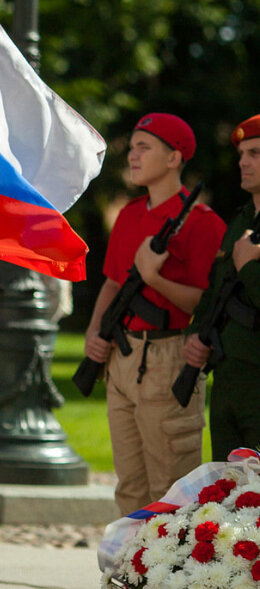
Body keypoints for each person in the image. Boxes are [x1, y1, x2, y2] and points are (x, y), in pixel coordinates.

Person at [83, 113, 225, 515]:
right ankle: (129, 572)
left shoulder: (202, 223)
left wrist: (154, 278)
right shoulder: (129, 214)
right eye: (131, 148)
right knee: (129, 487)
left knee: (172, 489)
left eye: (144, 147)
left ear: (174, 158)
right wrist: (96, 334)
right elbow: (112, 284)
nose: (133, 155)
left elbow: (204, 302)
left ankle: (168, 574)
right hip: (122, 357)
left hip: (168, 358)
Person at [184, 113, 260, 462]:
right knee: (224, 486)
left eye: (255, 154)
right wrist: (198, 333)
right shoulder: (242, 220)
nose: (243, 162)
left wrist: (249, 267)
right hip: (227, 371)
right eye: (242, 154)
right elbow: (215, 289)